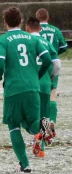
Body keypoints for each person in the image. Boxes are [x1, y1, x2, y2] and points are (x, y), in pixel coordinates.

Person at [0, 7, 52, 173]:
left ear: (5, 22)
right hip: (33, 87)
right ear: (21, 21)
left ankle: (25, 164)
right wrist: (37, 76)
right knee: (33, 123)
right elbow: (47, 60)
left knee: (13, 126)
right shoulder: (32, 39)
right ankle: (43, 125)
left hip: (14, 89)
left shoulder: (2, 40)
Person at [26, 17, 61, 157]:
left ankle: (37, 135)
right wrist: (50, 77)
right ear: (40, 29)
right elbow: (57, 64)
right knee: (44, 116)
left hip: (30, 83)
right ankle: (41, 149)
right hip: (45, 83)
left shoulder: (25, 41)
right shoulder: (46, 42)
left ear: (27, 28)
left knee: (29, 117)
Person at [37, 8, 67, 138]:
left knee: (40, 97)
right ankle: (52, 121)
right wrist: (54, 54)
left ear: (36, 19)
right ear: (48, 18)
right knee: (52, 94)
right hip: (53, 64)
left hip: (39, 65)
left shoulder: (35, 31)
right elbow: (64, 47)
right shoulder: (55, 30)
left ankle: (41, 126)